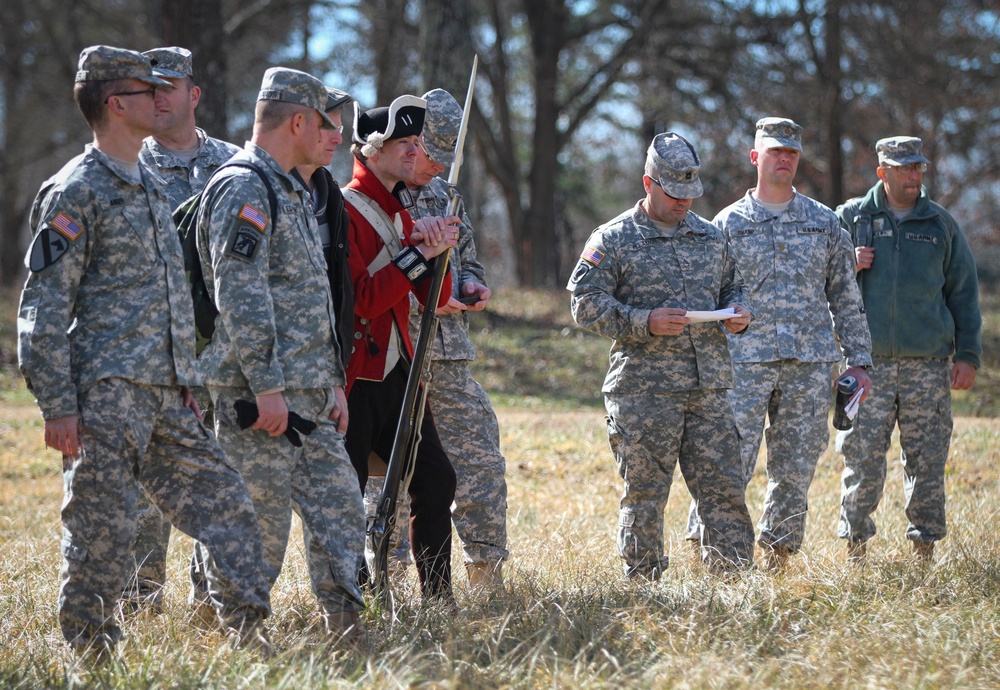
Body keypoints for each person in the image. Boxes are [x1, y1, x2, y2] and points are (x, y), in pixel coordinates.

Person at [16, 45, 270, 659]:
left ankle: (247, 642)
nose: (159, 98)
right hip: (105, 395)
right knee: (103, 538)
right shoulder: (76, 190)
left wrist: (185, 371)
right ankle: (89, 657)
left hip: (167, 396)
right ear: (114, 103)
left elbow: (174, 292)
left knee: (230, 507)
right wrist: (58, 405)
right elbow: (43, 306)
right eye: (143, 88)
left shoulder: (155, 184)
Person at [194, 67, 366, 641]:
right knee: (254, 527)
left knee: (342, 513)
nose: (338, 136)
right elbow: (241, 296)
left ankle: (345, 629)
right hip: (258, 398)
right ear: (297, 121)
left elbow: (309, 297)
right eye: (326, 124)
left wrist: (331, 380)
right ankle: (242, 637)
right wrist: (266, 386)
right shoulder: (245, 186)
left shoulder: (295, 188)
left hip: (311, 394)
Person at [568, 132, 756, 579]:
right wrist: (642, 320)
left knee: (725, 489)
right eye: (675, 193)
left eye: (692, 194)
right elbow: (583, 301)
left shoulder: (711, 237)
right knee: (646, 493)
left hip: (708, 386)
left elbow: (735, 286)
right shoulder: (613, 239)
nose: (684, 203)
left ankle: (732, 581)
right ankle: (644, 587)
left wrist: (740, 312)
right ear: (649, 183)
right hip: (643, 391)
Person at [364, 88, 509, 592]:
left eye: (446, 156)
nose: (435, 165)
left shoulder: (446, 195)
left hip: (449, 355)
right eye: (428, 152)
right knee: (392, 475)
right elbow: (367, 286)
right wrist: (428, 295)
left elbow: (467, 257)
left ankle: (485, 574)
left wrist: (469, 284)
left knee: (479, 460)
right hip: (398, 358)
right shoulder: (376, 196)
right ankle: (389, 577)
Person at [714, 117, 874, 570]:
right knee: (728, 462)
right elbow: (709, 299)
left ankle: (778, 558)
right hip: (742, 362)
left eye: (791, 153)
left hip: (808, 366)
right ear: (755, 157)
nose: (784, 159)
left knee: (797, 466)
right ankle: (717, 556)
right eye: (774, 151)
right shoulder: (726, 224)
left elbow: (845, 296)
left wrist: (859, 361)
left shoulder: (823, 223)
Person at [124, 45, 242, 614]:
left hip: (224, 353)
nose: (158, 97)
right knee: (151, 483)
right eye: (148, 88)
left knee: (222, 477)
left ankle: (209, 601)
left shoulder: (235, 163)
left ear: (193, 94)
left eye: (168, 86)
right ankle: (140, 601)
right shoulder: (123, 166)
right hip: (155, 354)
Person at [835, 136, 981, 562]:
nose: (914, 176)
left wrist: (968, 355)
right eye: (904, 168)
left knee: (928, 462)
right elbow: (815, 280)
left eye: (917, 168)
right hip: (865, 365)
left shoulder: (940, 225)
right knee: (861, 460)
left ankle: (924, 552)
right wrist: (848, 262)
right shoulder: (850, 218)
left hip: (928, 367)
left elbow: (964, 294)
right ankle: (855, 552)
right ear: (882, 172)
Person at [343, 94, 460, 602]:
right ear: (372, 149)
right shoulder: (344, 209)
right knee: (345, 496)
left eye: (418, 143)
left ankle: (437, 599)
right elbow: (363, 301)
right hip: (353, 377)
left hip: (400, 374)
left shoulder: (403, 213)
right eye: (405, 143)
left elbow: (442, 298)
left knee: (436, 481)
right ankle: (352, 597)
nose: (417, 153)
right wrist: (418, 252)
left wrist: (439, 250)